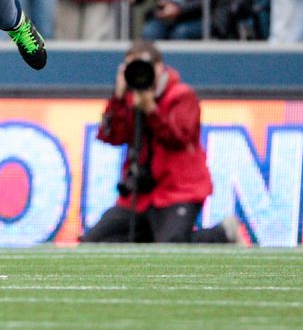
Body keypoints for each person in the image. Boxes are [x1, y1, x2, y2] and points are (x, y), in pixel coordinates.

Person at [80, 42, 237, 244]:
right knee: (93, 242)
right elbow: (111, 136)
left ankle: (222, 235)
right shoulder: (128, 98)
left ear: (159, 67)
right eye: (131, 67)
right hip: (139, 195)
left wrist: (151, 110)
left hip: (178, 190)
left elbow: (178, 137)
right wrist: (117, 99)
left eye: (143, 67)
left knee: (171, 245)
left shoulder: (182, 95)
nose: (139, 73)